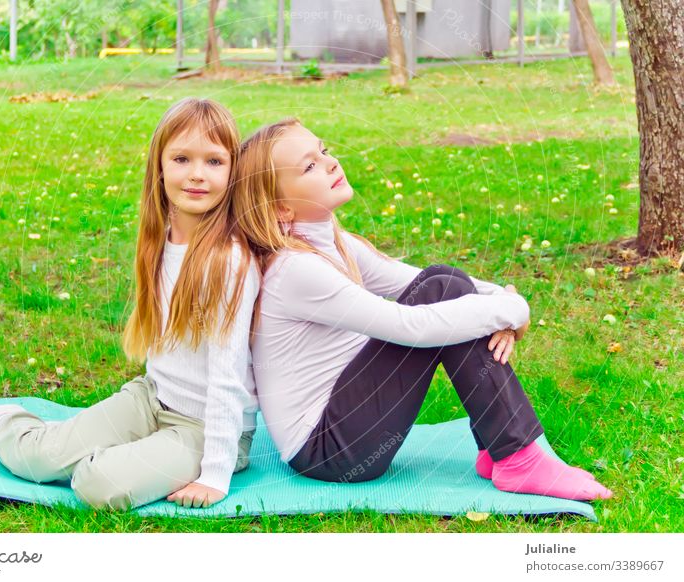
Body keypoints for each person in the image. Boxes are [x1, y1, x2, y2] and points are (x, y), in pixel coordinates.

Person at [232, 118, 613, 501]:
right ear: (280, 208)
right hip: (327, 452)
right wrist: (509, 310)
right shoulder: (295, 269)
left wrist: (503, 299)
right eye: (309, 166)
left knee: (444, 283)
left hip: (345, 421)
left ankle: (500, 450)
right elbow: (409, 326)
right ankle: (517, 458)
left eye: (324, 151)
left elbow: (411, 280)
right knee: (443, 290)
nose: (330, 163)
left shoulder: (333, 239)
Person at [0, 98, 260, 511]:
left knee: (96, 483)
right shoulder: (160, 241)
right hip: (152, 398)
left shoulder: (228, 260)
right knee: (37, 458)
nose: (197, 174)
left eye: (214, 161)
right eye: (181, 158)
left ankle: (121, 455)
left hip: (205, 429)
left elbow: (230, 377)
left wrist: (215, 473)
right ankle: (2, 421)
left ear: (233, 171)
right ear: (159, 168)